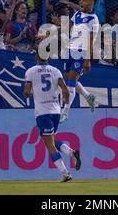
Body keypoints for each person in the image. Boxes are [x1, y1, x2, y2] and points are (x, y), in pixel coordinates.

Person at [23, 54, 81, 182]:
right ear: (47, 57)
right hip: (56, 111)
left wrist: (30, 92)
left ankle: (65, 173)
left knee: (49, 145)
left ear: (36, 58)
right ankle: (71, 153)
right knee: (52, 140)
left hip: (42, 112)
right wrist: (65, 105)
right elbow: (65, 90)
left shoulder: (31, 71)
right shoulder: (55, 70)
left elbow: (26, 93)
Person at [60, 0, 99, 123]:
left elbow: (92, 39)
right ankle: (88, 97)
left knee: (70, 83)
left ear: (91, 2)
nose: (81, 1)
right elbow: (67, 29)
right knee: (70, 79)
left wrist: (88, 59)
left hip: (81, 52)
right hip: (70, 49)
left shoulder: (94, 19)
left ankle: (65, 111)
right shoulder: (76, 14)